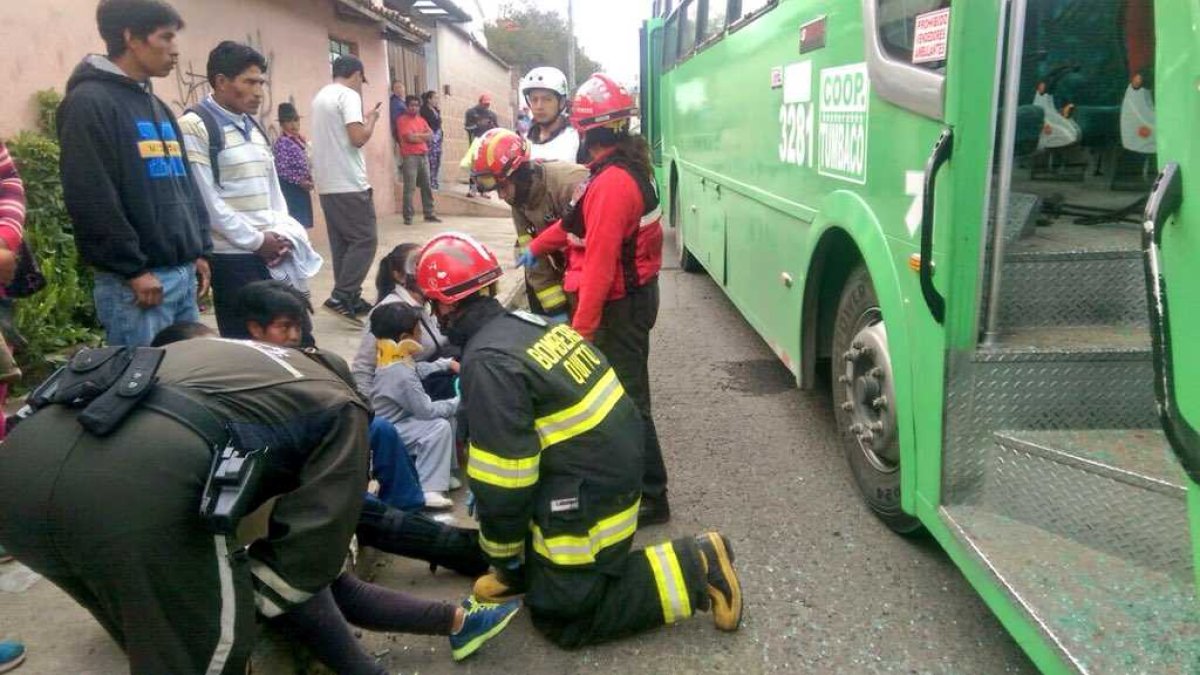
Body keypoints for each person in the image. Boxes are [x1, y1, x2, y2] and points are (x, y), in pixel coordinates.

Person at [414, 232, 743, 648]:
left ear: (445, 304)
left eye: (433, 303)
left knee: (562, 617)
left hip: (591, 491)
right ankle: (533, 573)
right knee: (541, 560)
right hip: (610, 468)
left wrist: (502, 557)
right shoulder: (522, 325)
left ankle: (698, 565)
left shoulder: (487, 360)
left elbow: (505, 481)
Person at [0, 336, 371, 673]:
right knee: (208, 650)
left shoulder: (217, 350)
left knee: (150, 634)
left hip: (16, 476)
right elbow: (321, 531)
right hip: (132, 492)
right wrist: (252, 598)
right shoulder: (341, 404)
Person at [523, 74, 671, 525]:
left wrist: (580, 333)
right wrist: (536, 247)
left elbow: (602, 267)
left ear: (587, 130)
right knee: (617, 397)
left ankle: (653, 496)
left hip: (622, 307)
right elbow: (573, 223)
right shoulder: (607, 174)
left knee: (629, 400)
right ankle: (626, 482)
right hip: (628, 299)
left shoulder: (612, 184)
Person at [57, 0, 212, 346]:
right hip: (138, 287)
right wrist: (132, 269)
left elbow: (184, 183)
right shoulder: (89, 103)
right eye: (166, 38)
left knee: (184, 386)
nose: (175, 51)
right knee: (141, 391)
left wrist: (199, 249)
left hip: (182, 276)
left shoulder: (158, 107)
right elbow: (91, 195)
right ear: (131, 37)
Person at [181, 41, 319, 339]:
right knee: (250, 345)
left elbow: (273, 190)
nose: (259, 91)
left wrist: (280, 232)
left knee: (297, 338)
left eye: (261, 83)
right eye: (250, 82)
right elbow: (207, 202)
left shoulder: (253, 127)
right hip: (233, 258)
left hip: (273, 253)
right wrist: (256, 240)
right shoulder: (195, 126)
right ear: (220, 81)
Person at [470, 128, 585, 318]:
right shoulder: (518, 200)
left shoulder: (570, 183)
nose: (501, 196)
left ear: (520, 174)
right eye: (497, 189)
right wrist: (556, 311)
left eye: (503, 186)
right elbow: (535, 262)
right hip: (568, 276)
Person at [370, 302, 460, 510]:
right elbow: (426, 411)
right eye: (418, 330)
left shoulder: (394, 360)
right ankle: (428, 488)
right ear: (404, 338)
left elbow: (415, 369)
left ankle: (443, 474)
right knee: (438, 426)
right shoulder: (399, 373)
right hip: (391, 431)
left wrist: (444, 364)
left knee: (447, 418)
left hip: (398, 423)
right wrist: (460, 401)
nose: (421, 334)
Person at [311, 55, 380, 323]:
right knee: (365, 240)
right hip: (349, 182)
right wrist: (371, 119)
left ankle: (349, 297)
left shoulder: (321, 97)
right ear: (357, 74)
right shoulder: (348, 96)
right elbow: (358, 138)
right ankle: (341, 295)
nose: (362, 85)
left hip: (328, 184)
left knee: (343, 244)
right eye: (362, 80)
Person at [351, 243, 451, 397]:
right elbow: (364, 367)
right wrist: (369, 413)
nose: (426, 272)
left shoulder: (426, 304)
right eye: (416, 266)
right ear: (398, 275)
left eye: (427, 264)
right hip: (403, 398)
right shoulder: (389, 311)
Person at [519, 66, 585, 163]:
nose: (539, 106)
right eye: (534, 99)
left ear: (562, 102)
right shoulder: (523, 143)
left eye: (547, 100)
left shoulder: (577, 139)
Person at [396, 94, 440, 226]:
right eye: (411, 105)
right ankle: (408, 217)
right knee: (409, 188)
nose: (414, 108)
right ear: (407, 106)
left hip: (423, 156)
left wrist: (418, 136)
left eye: (416, 105)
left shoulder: (421, 120)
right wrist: (423, 137)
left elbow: (431, 135)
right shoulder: (402, 120)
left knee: (427, 186)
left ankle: (429, 213)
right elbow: (409, 138)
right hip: (410, 157)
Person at [274, 102, 315, 228]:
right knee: (295, 224)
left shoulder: (299, 140)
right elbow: (282, 169)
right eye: (288, 121)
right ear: (282, 124)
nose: (294, 125)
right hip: (290, 189)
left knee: (302, 224)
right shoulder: (283, 143)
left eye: (296, 120)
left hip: (302, 189)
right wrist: (300, 181)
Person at [463, 94, 498, 198]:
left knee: (486, 168)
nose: (486, 106)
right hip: (475, 142)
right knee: (474, 167)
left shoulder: (492, 114)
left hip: (488, 144)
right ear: (479, 102)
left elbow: (497, 128)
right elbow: (467, 127)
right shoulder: (471, 112)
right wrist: (479, 124)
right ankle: (472, 189)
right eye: (484, 104)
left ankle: (484, 190)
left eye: (488, 104)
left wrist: (491, 125)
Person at [419, 90, 443, 190]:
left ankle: (434, 180)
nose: (437, 100)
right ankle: (429, 182)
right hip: (430, 140)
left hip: (438, 140)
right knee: (431, 161)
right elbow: (424, 125)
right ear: (429, 99)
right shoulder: (424, 110)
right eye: (435, 98)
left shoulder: (435, 110)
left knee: (437, 160)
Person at [388, 80, 407, 144]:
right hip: (401, 131)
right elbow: (396, 119)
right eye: (396, 88)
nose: (399, 89)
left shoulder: (403, 101)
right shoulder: (395, 102)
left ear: (404, 88)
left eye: (400, 87)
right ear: (393, 91)